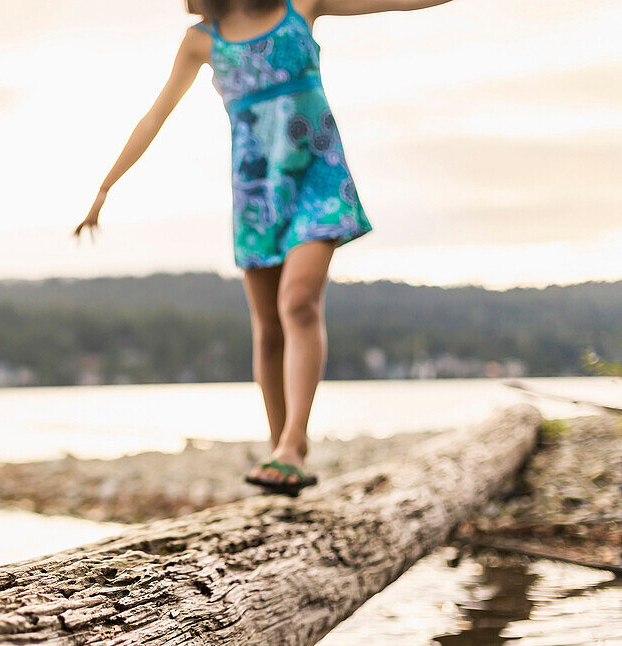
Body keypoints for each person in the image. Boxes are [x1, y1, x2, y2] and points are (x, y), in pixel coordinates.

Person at [73, 0, 455, 495]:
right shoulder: (202, 40)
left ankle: (294, 444)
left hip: (318, 178)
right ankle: (282, 454)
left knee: (298, 302)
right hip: (257, 192)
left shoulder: (302, 5)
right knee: (268, 328)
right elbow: (155, 116)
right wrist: (105, 188)